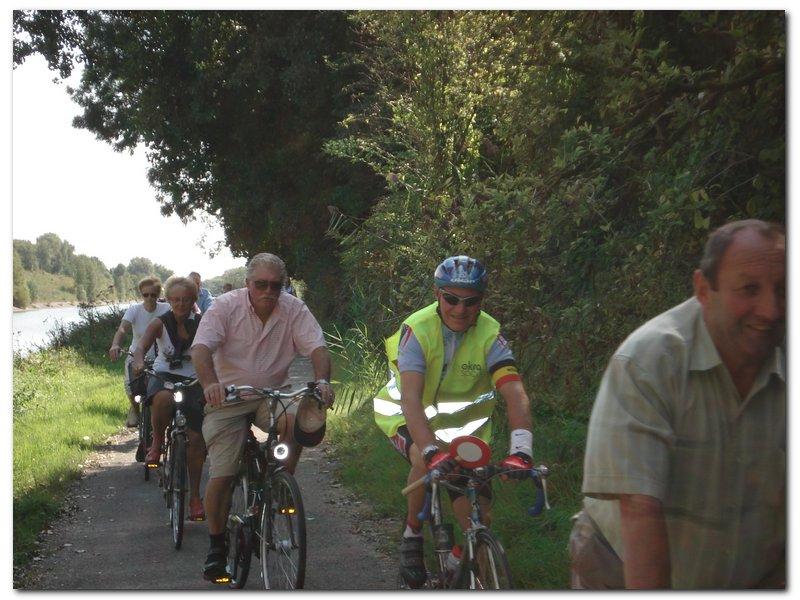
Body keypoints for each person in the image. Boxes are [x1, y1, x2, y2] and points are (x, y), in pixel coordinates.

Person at [570, 219, 785, 589]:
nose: (770, 310)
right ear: (704, 289)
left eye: (783, 290)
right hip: (621, 569)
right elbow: (639, 511)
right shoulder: (648, 362)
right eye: (749, 289)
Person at [373, 255, 534, 589]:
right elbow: (411, 400)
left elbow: (515, 395)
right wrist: (432, 450)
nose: (461, 309)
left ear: (482, 301)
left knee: (481, 516)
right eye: (451, 299)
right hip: (406, 418)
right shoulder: (417, 331)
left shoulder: (491, 334)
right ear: (437, 293)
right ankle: (412, 535)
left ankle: (459, 558)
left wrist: (521, 450)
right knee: (421, 457)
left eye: (471, 301)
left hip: (462, 434)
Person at [191, 252, 334, 582]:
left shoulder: (293, 308)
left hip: (271, 395)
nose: (269, 291)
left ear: (283, 285)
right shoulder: (225, 306)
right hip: (227, 398)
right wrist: (210, 383)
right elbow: (201, 348)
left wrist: (322, 380)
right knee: (224, 473)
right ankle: (216, 546)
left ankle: (281, 485)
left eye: (276, 285)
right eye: (261, 285)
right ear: (247, 284)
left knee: (298, 422)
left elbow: (317, 347)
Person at [132, 275, 207, 521]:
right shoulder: (159, 323)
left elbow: (218, 347)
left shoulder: (203, 323)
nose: (180, 304)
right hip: (164, 373)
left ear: (193, 300)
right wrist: (140, 362)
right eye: (175, 300)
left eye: (186, 300)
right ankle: (155, 444)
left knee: (197, 439)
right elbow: (141, 346)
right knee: (162, 399)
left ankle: (195, 497)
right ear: (169, 300)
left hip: (194, 378)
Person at [108, 277, 169, 430]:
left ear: (158, 295)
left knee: (164, 388)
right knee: (131, 386)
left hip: (160, 357)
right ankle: (135, 410)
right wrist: (115, 344)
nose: (149, 298)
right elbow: (122, 329)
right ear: (141, 294)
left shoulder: (167, 308)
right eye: (145, 295)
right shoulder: (134, 310)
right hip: (136, 354)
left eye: (153, 295)